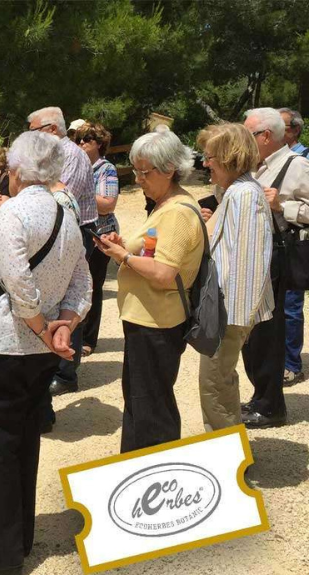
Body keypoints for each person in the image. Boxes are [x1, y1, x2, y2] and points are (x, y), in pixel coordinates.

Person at [0, 131, 91, 575]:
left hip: (4, 345)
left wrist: (43, 327)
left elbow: (18, 284)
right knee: (24, 443)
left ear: (15, 172)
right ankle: (21, 537)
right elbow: (83, 284)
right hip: (41, 351)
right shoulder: (66, 211)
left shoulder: (14, 212)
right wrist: (63, 327)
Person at [93, 130, 203, 452]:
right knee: (144, 403)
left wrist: (123, 257)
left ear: (169, 169)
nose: (138, 179)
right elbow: (154, 252)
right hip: (149, 320)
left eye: (144, 172)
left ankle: (152, 477)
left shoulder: (177, 212)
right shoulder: (164, 204)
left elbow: (165, 273)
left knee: (150, 407)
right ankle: (142, 472)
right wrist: (124, 246)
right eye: (136, 171)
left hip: (157, 323)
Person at [196, 123, 274, 431]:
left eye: (210, 156)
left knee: (214, 384)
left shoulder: (244, 195)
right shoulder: (237, 191)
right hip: (228, 308)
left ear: (228, 157)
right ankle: (231, 451)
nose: (205, 163)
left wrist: (231, 319)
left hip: (230, 310)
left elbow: (250, 261)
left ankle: (225, 459)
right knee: (220, 381)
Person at [242, 108, 309, 427]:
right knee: (250, 332)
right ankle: (260, 396)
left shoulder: (296, 166)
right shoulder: (254, 166)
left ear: (266, 136)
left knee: (268, 330)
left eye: (248, 134)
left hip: (275, 257)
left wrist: (282, 205)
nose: (244, 140)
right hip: (252, 256)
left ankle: (271, 405)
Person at [27, 106, 97, 398]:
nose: (28, 138)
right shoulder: (58, 155)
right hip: (61, 231)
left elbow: (60, 198)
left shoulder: (71, 155)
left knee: (70, 297)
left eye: (32, 131)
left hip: (72, 232)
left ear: (51, 129)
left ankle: (66, 372)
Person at [75, 122, 120, 357]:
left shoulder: (106, 169)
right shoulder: (77, 166)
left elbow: (107, 204)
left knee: (93, 286)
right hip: (79, 233)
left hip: (100, 236)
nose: (81, 143)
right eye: (80, 139)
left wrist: (81, 192)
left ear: (99, 144)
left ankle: (88, 338)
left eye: (87, 139)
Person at [278, 108, 308, 387]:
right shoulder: (269, 161)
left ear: (295, 130)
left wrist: (283, 206)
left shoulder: (304, 160)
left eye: (282, 126)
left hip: (295, 244)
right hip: (274, 244)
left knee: (290, 305)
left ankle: (291, 364)